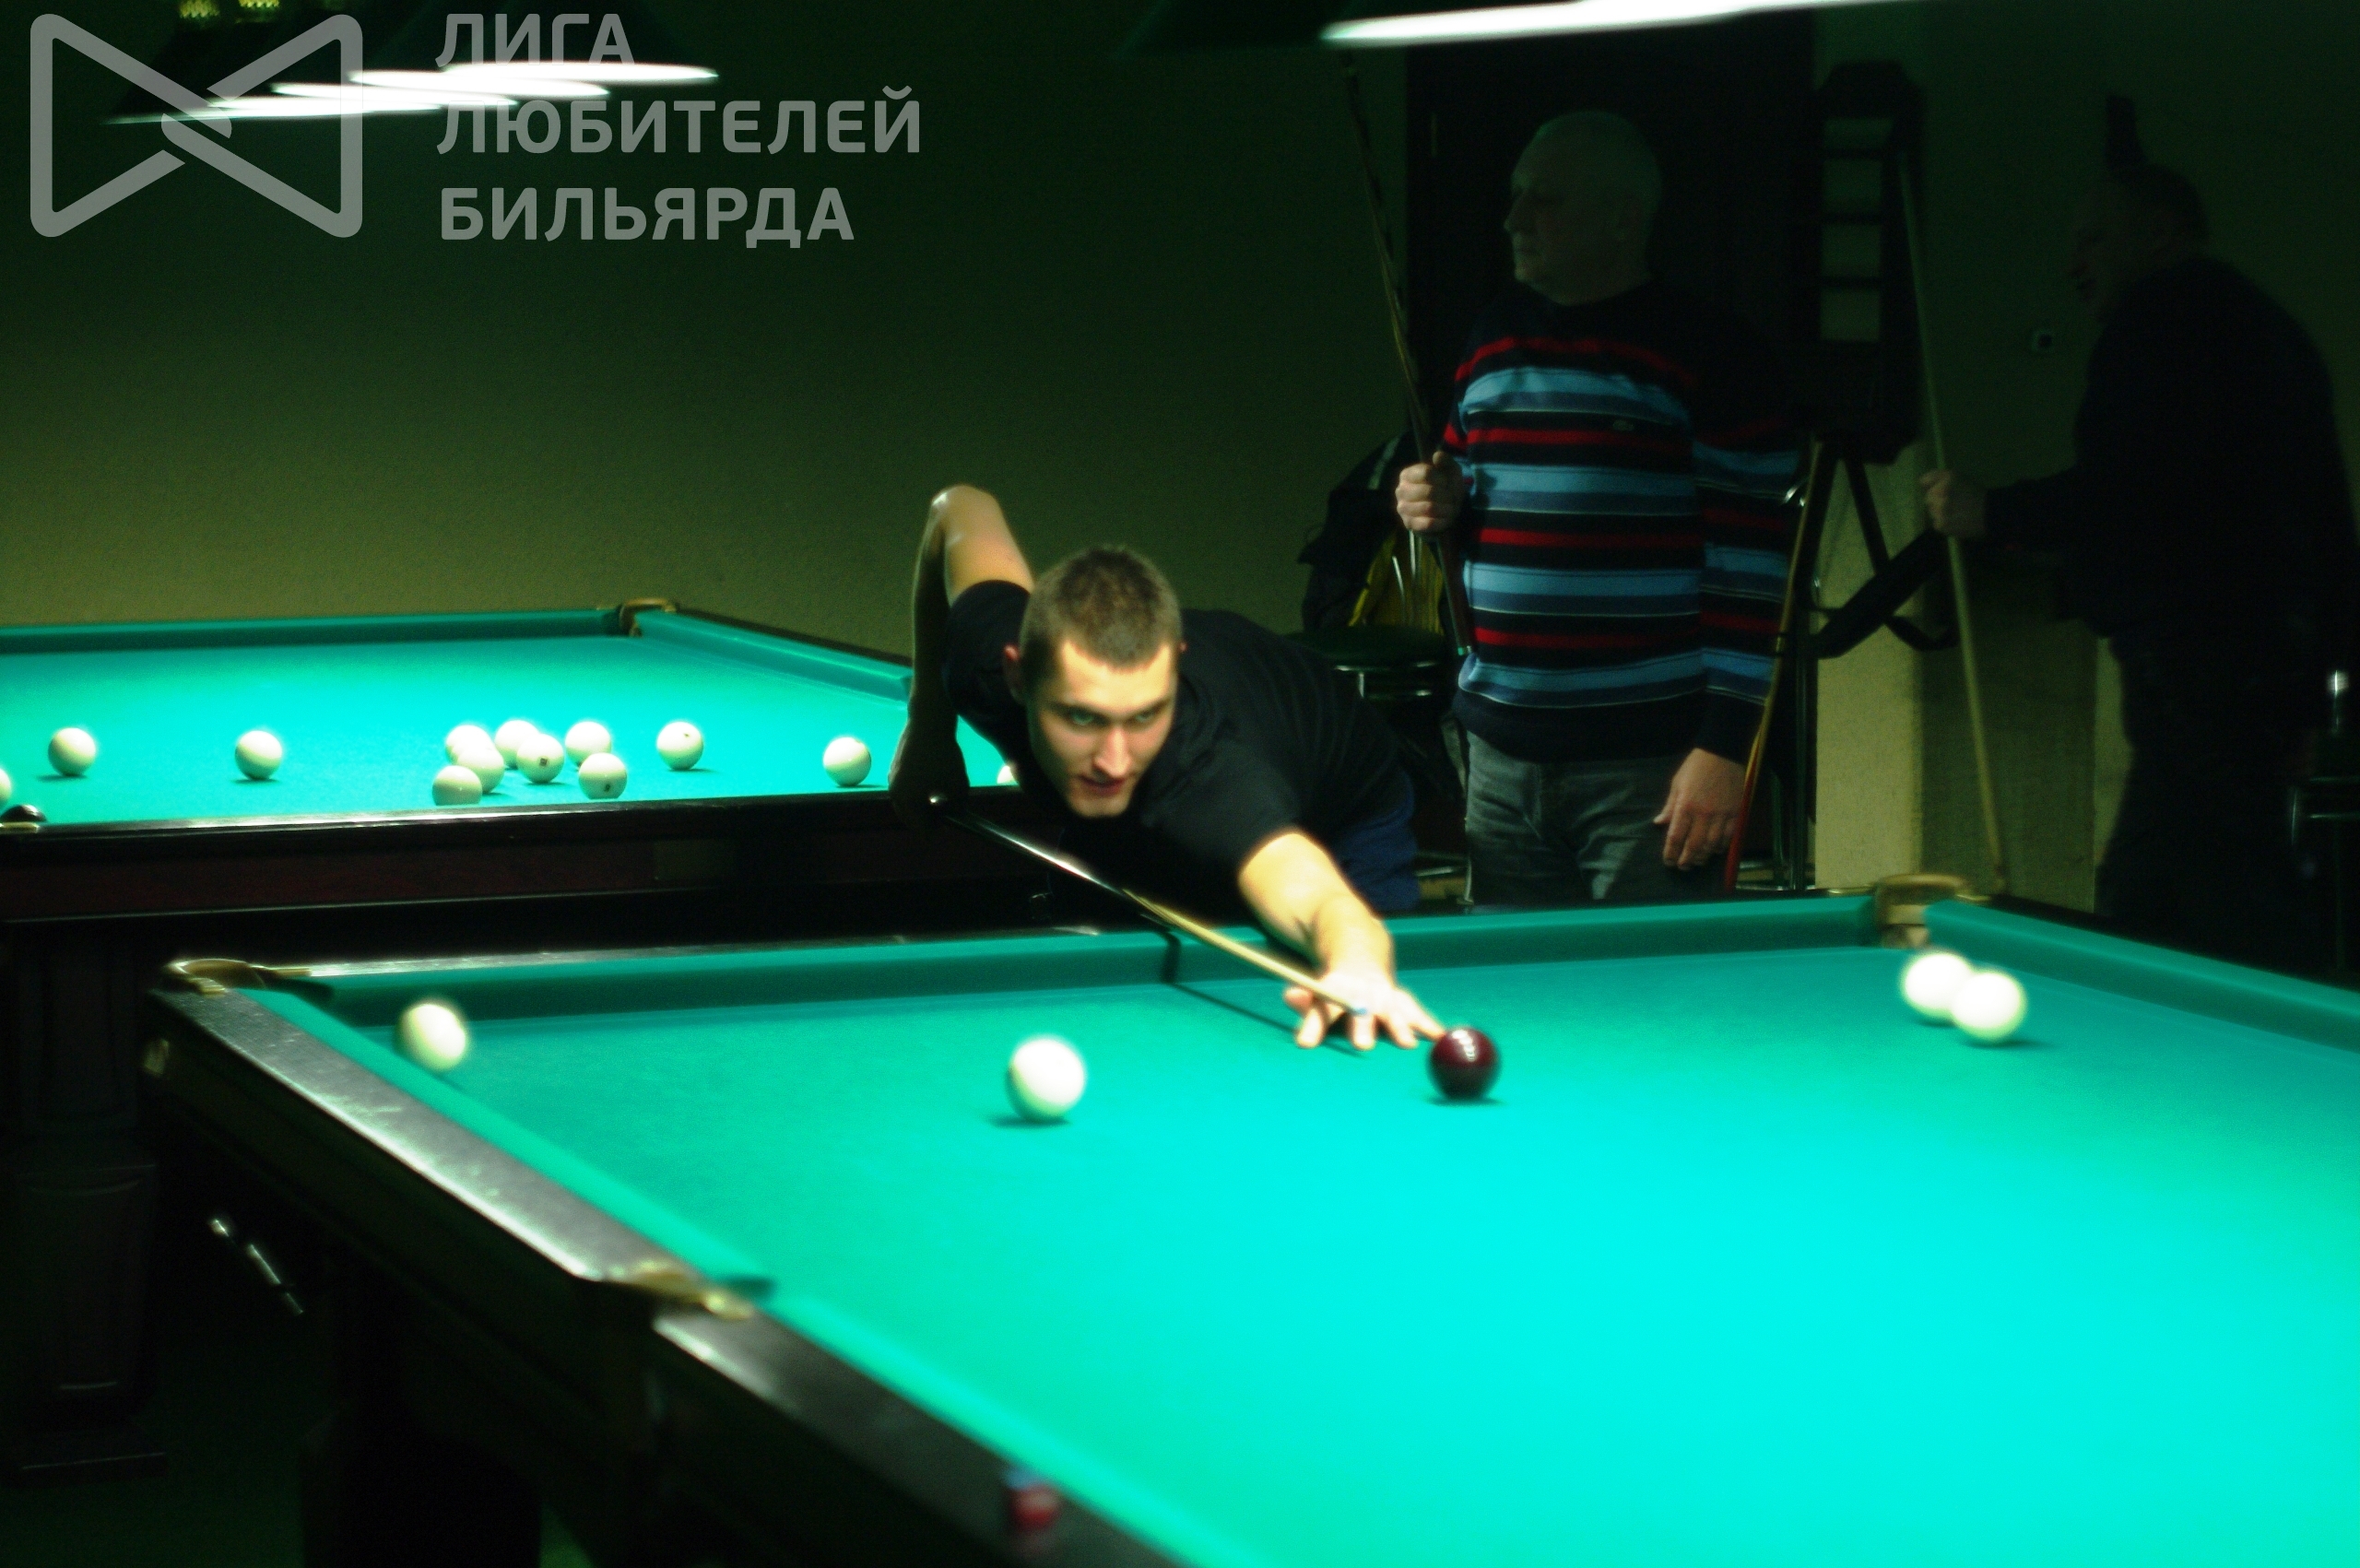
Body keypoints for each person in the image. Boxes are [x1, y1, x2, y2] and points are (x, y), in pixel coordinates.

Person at [1920, 163, 2357, 971]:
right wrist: (2311, 698)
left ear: (2158, 233)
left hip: (2199, 664)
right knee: (2178, 888)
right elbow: (2327, 523)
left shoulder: (2158, 320)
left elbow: (2130, 489)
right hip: (2258, 665)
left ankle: (2301, 1041)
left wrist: (1992, 511)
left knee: (2202, 901)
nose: (2072, 264)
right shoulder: (2273, 331)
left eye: (2091, 240)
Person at [1394, 112, 1801, 905]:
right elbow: (1455, 483)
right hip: (1500, 753)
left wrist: (1727, 746)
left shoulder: (1713, 352)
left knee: (1655, 977)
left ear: (1622, 218)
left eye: (1542, 199)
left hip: (1648, 764)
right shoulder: (1492, 337)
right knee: (1519, 976)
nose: (1513, 219)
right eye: (1515, 195)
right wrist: (1427, 497)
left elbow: (1755, 571)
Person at [889, 484, 1443, 1050]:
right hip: (1225, 754)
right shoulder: (982, 657)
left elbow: (1319, 898)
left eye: (1145, 715)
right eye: (1081, 717)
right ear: (1016, 675)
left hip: (1345, 807)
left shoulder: (1212, 778)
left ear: (1174, 671)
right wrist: (929, 727)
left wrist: (1357, 964)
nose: (1113, 760)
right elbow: (959, 507)